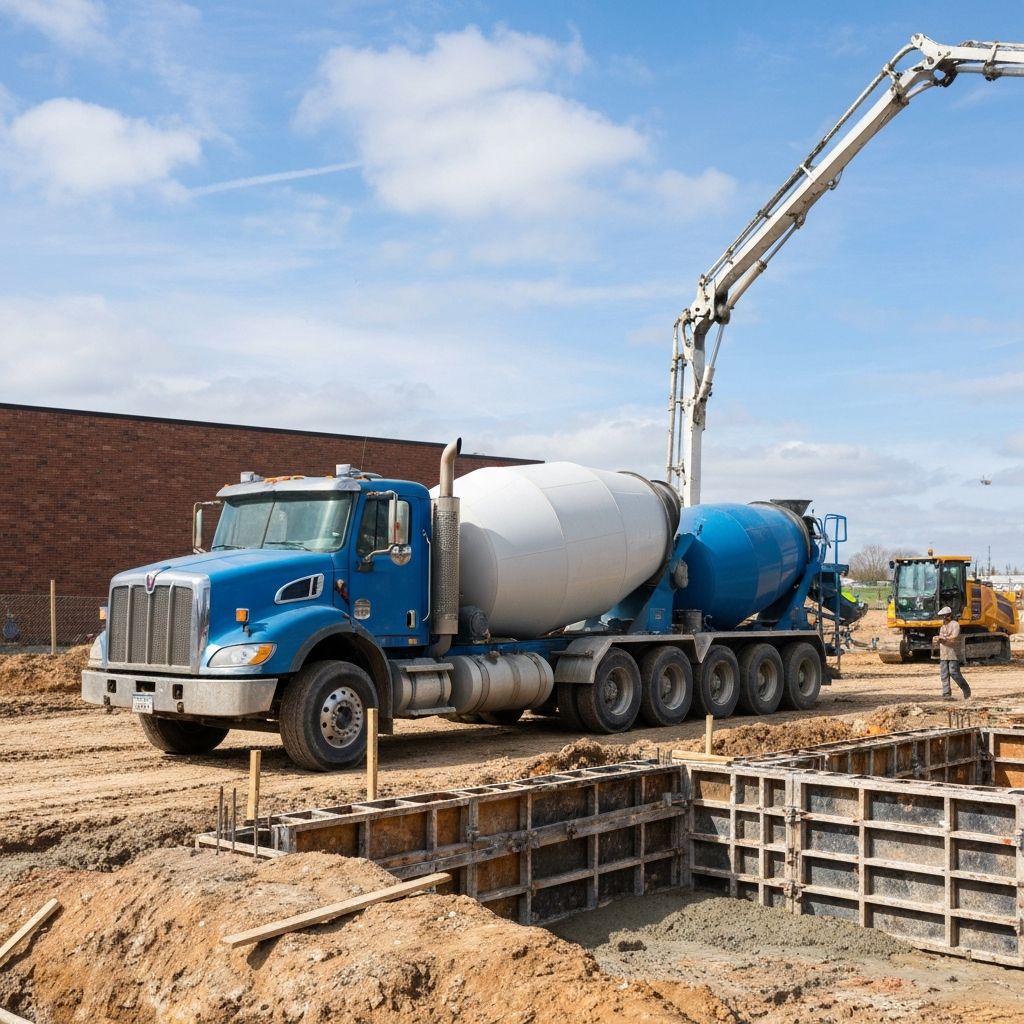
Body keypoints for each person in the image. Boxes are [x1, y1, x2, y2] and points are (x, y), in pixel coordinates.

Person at [933, 606, 971, 700]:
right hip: (944, 654)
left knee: (954, 672)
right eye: (942, 616)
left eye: (945, 616)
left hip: (953, 653)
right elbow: (941, 639)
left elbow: (954, 637)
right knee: (944, 674)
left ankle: (966, 690)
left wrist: (943, 638)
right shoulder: (942, 627)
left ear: (949, 615)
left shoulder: (955, 625)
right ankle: (946, 694)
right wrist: (936, 640)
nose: (944, 618)